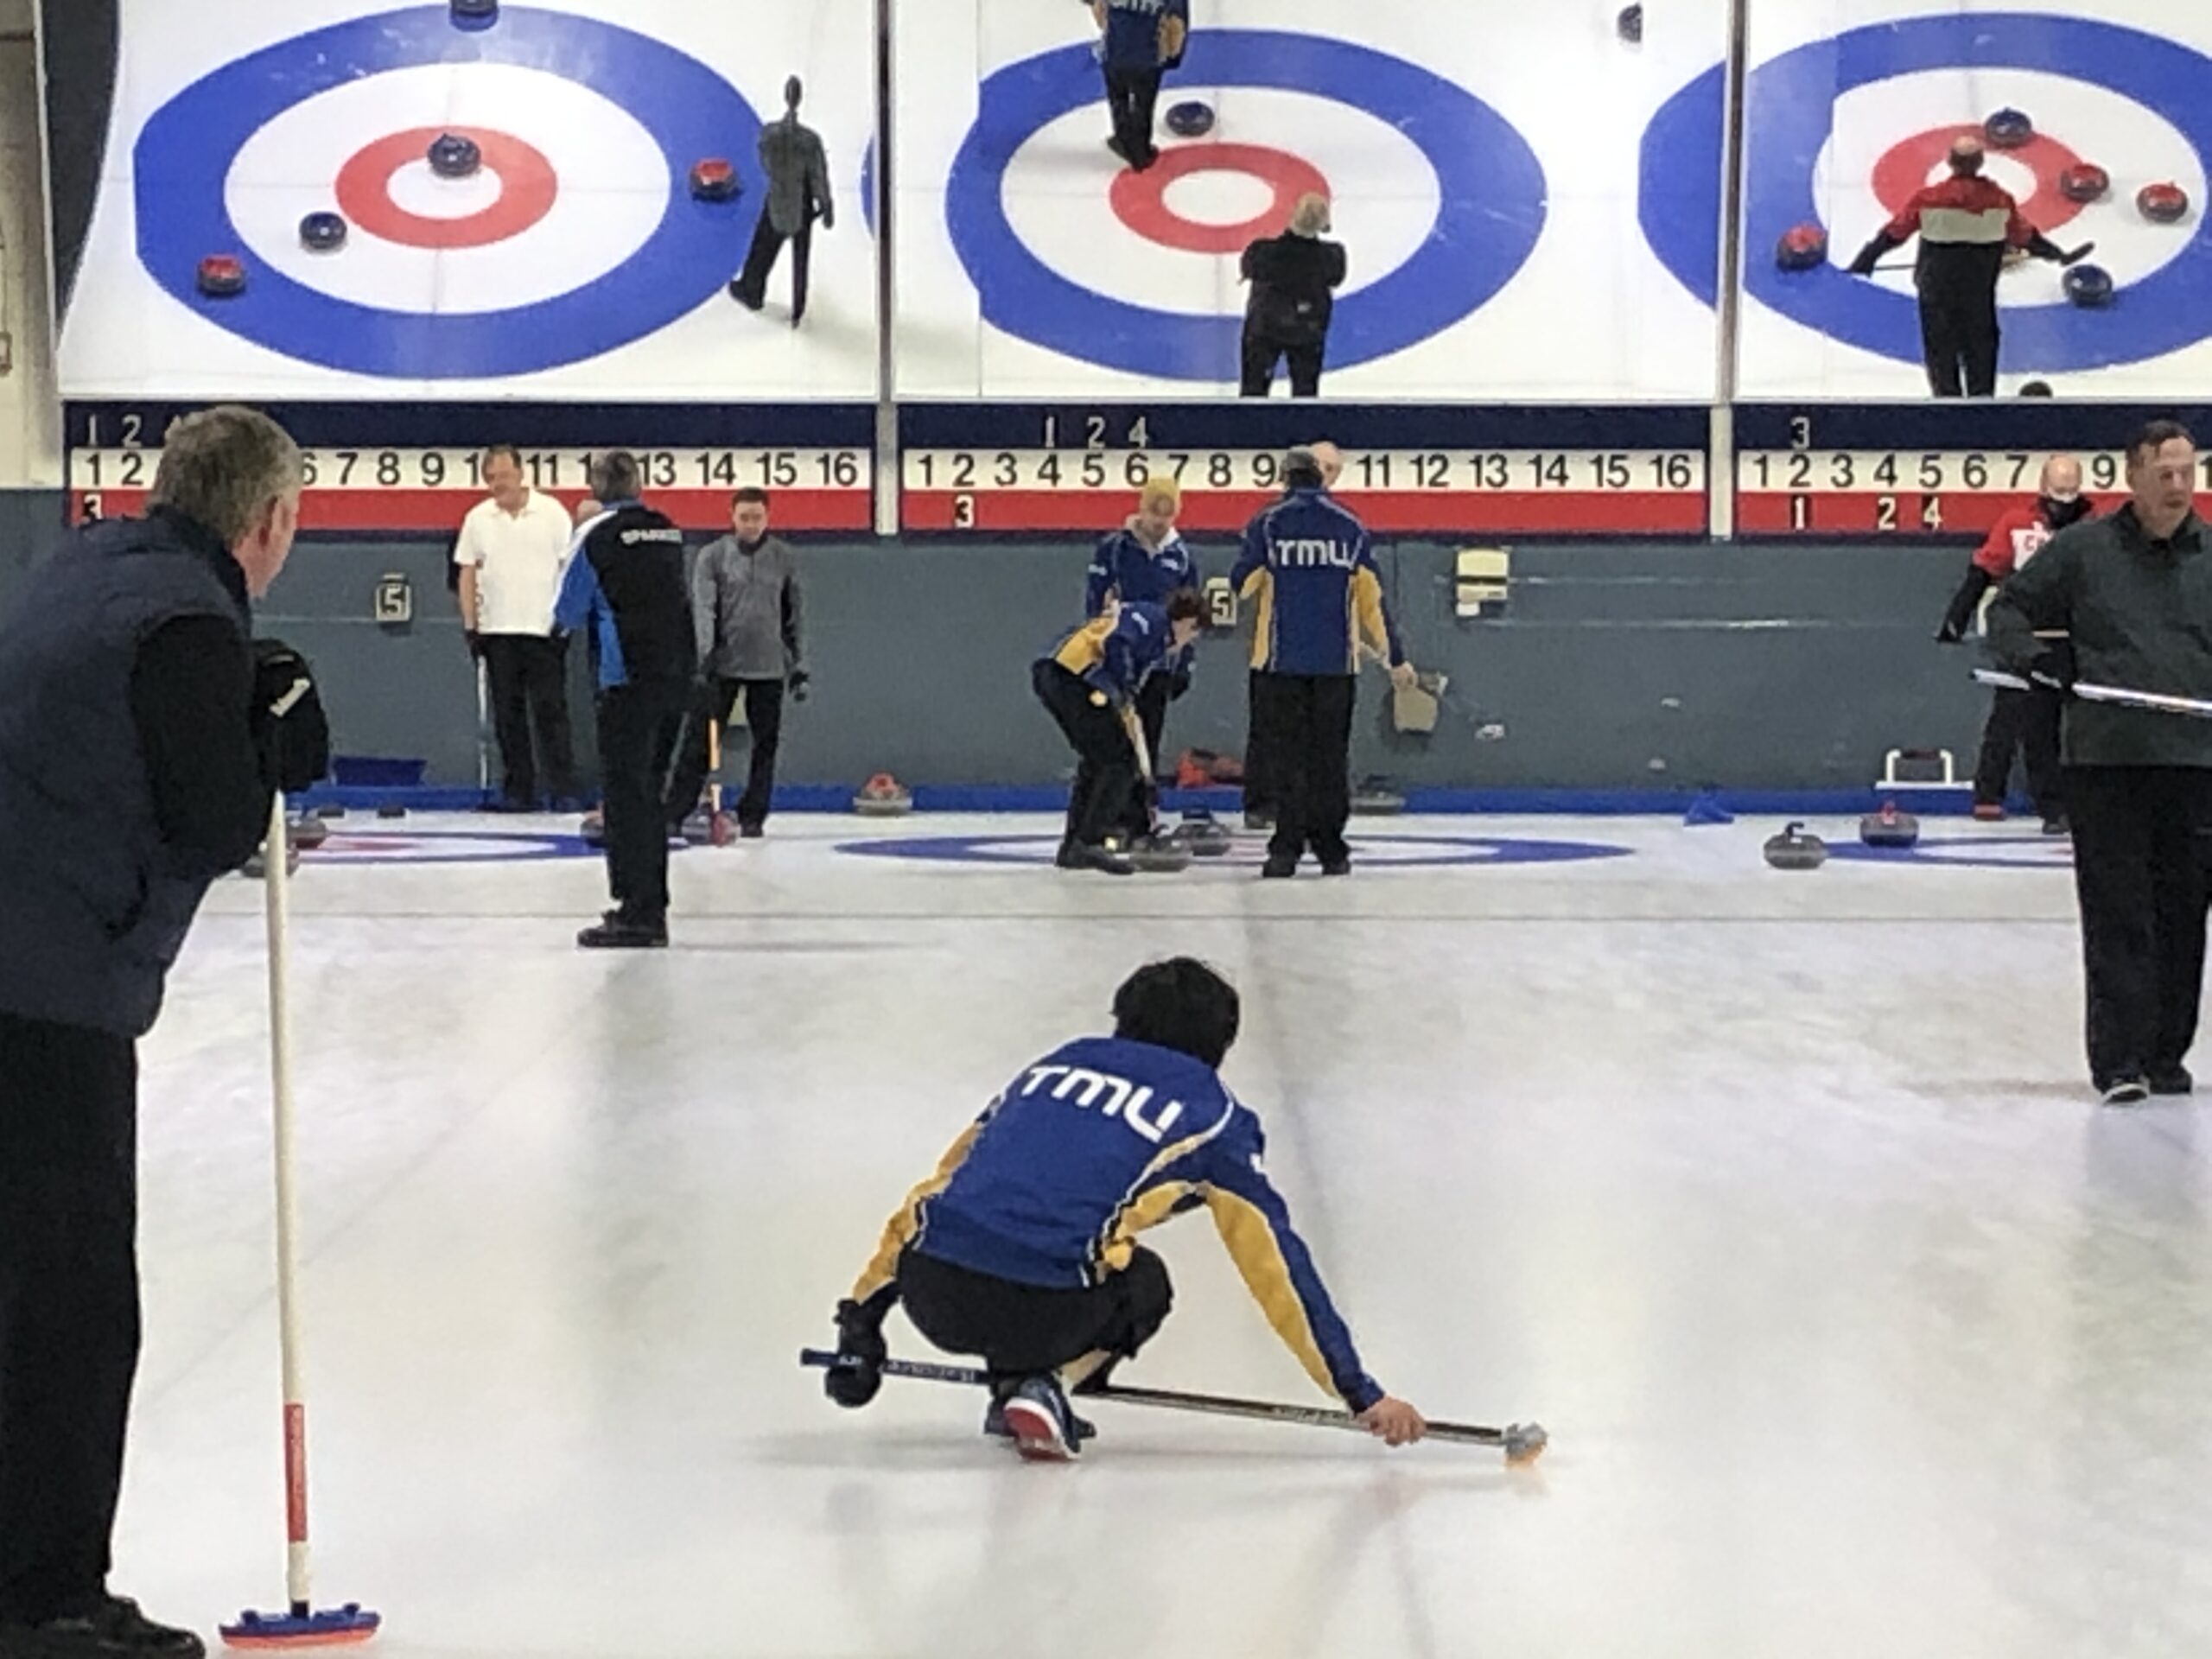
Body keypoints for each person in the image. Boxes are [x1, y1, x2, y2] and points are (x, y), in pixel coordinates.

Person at [0, 406, 326, 1659]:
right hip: (45, 987)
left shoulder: (93, 566)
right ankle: (46, 1598)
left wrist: (244, 693)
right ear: (269, 521)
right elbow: (209, 820)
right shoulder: (186, 622)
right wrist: (274, 746)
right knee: (75, 1306)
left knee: (35, 1286)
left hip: (30, 960)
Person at [821, 957, 1428, 1461]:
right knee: (1144, 1280)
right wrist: (1358, 1392)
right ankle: (1043, 1386)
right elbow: (1277, 1265)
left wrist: (861, 1322)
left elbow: (934, 1195)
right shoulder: (1214, 1116)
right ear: (1221, 1045)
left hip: (933, 1293)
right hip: (1045, 1312)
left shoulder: (1050, 1069)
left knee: (1025, 1231)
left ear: (1121, 1022)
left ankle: (1021, 1387)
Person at [1986, 421, 2212, 1105]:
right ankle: (2118, 1061)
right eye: (2163, 474)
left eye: (2187, 472)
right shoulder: (2082, 552)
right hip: (2108, 761)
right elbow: (2008, 612)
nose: (2178, 487)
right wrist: (2039, 661)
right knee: (2118, 913)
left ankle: (2165, 1053)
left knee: (2183, 915)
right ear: (2133, 478)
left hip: (2197, 764)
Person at [1232, 448, 1415, 878]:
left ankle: (1286, 850)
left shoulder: (1269, 523)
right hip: (1337, 666)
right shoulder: (1350, 527)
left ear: (1285, 479)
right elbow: (1373, 603)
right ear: (1320, 478)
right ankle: (1333, 850)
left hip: (1280, 664)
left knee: (1287, 759)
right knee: (1330, 759)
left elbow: (1243, 585)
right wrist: (1396, 658)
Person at [555, 453, 694, 949]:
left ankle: (637, 912)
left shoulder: (597, 535)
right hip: (677, 678)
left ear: (595, 489)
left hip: (626, 680)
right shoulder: (668, 530)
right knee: (651, 798)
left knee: (625, 797)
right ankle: (652, 903)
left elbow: (566, 610)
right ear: (639, 483)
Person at [1847, 134, 2088, 398]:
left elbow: (1895, 233)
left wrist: (1866, 259)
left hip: (1935, 291)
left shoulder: (1930, 199)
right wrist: (2054, 253)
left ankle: (1947, 408)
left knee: (1941, 354)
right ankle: (1981, 411)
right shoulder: (1999, 201)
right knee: (1980, 353)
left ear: (1950, 161)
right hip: (1978, 294)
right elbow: (2025, 236)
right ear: (1981, 162)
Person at [1938, 454, 2088, 831]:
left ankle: (2080, 801)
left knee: (2078, 724)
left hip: (2078, 637)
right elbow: (1984, 569)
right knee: (2023, 717)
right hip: (2026, 637)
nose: (2063, 506)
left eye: (2071, 497)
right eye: (2058, 496)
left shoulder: (2095, 527)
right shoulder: (2017, 524)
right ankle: (2015, 798)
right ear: (2043, 489)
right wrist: (1957, 615)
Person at [663, 488, 807, 840]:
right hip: (721, 666)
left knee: (765, 745)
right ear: (732, 517)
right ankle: (675, 811)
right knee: (700, 743)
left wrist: (798, 666)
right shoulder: (712, 557)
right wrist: (704, 656)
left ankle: (754, 814)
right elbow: (704, 607)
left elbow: (794, 615)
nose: (751, 524)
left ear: (768, 517)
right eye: (744, 517)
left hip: (769, 666)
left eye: (757, 517)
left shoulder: (784, 558)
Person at [1035, 590, 1205, 874]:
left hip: (1063, 677)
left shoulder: (1154, 632)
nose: (1192, 638)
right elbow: (1118, 641)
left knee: (1098, 760)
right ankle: (1088, 840)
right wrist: (1122, 687)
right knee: (1119, 763)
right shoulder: (1152, 622)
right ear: (1186, 621)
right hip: (1072, 677)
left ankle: (1074, 845)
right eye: (1195, 630)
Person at [454, 444, 578, 811]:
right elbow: (467, 573)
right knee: (508, 718)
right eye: (491, 478)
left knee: (551, 713)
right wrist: (470, 625)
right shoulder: (477, 519)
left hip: (544, 630)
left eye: (504, 476)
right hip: (497, 632)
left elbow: (568, 570)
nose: (498, 484)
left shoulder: (552, 513)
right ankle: (519, 791)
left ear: (521, 474)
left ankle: (563, 788)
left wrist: (566, 620)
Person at [1085, 478, 1198, 838]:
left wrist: (1186, 661)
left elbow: (1190, 610)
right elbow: (1096, 601)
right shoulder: (1115, 549)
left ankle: (1139, 819)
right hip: (1120, 657)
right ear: (1142, 508)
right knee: (1118, 741)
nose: (1160, 521)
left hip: (1160, 664)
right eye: (1155, 512)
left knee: (1148, 738)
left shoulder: (1180, 556)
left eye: (1169, 514)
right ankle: (1112, 815)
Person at [1243, 442, 1344, 831]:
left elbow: (1243, 582)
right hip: (1301, 654)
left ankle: (1295, 819)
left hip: (1301, 654)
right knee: (1295, 739)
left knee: (1300, 740)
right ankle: (1295, 817)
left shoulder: (1271, 523)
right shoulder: (1342, 524)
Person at [731, 76, 832, 326]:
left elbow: (765, 164)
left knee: (762, 250)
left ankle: (752, 291)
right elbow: (818, 175)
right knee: (801, 257)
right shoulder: (810, 141)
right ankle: (798, 307)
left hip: (778, 196)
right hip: (804, 203)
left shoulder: (769, 136)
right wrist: (826, 204)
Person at [1240, 194, 1346, 398]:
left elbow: (1249, 268)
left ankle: (1250, 428)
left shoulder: (1262, 252)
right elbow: (1335, 278)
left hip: (1265, 329)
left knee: (1253, 392)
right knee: (1305, 394)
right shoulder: (1331, 257)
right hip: (1307, 329)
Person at [1092, 0, 1188, 171]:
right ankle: (1141, 151)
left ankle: (1122, 138)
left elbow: (1098, 10)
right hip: (1148, 60)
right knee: (1143, 105)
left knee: (1118, 97)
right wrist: (1173, 57)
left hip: (1116, 55)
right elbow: (1177, 22)